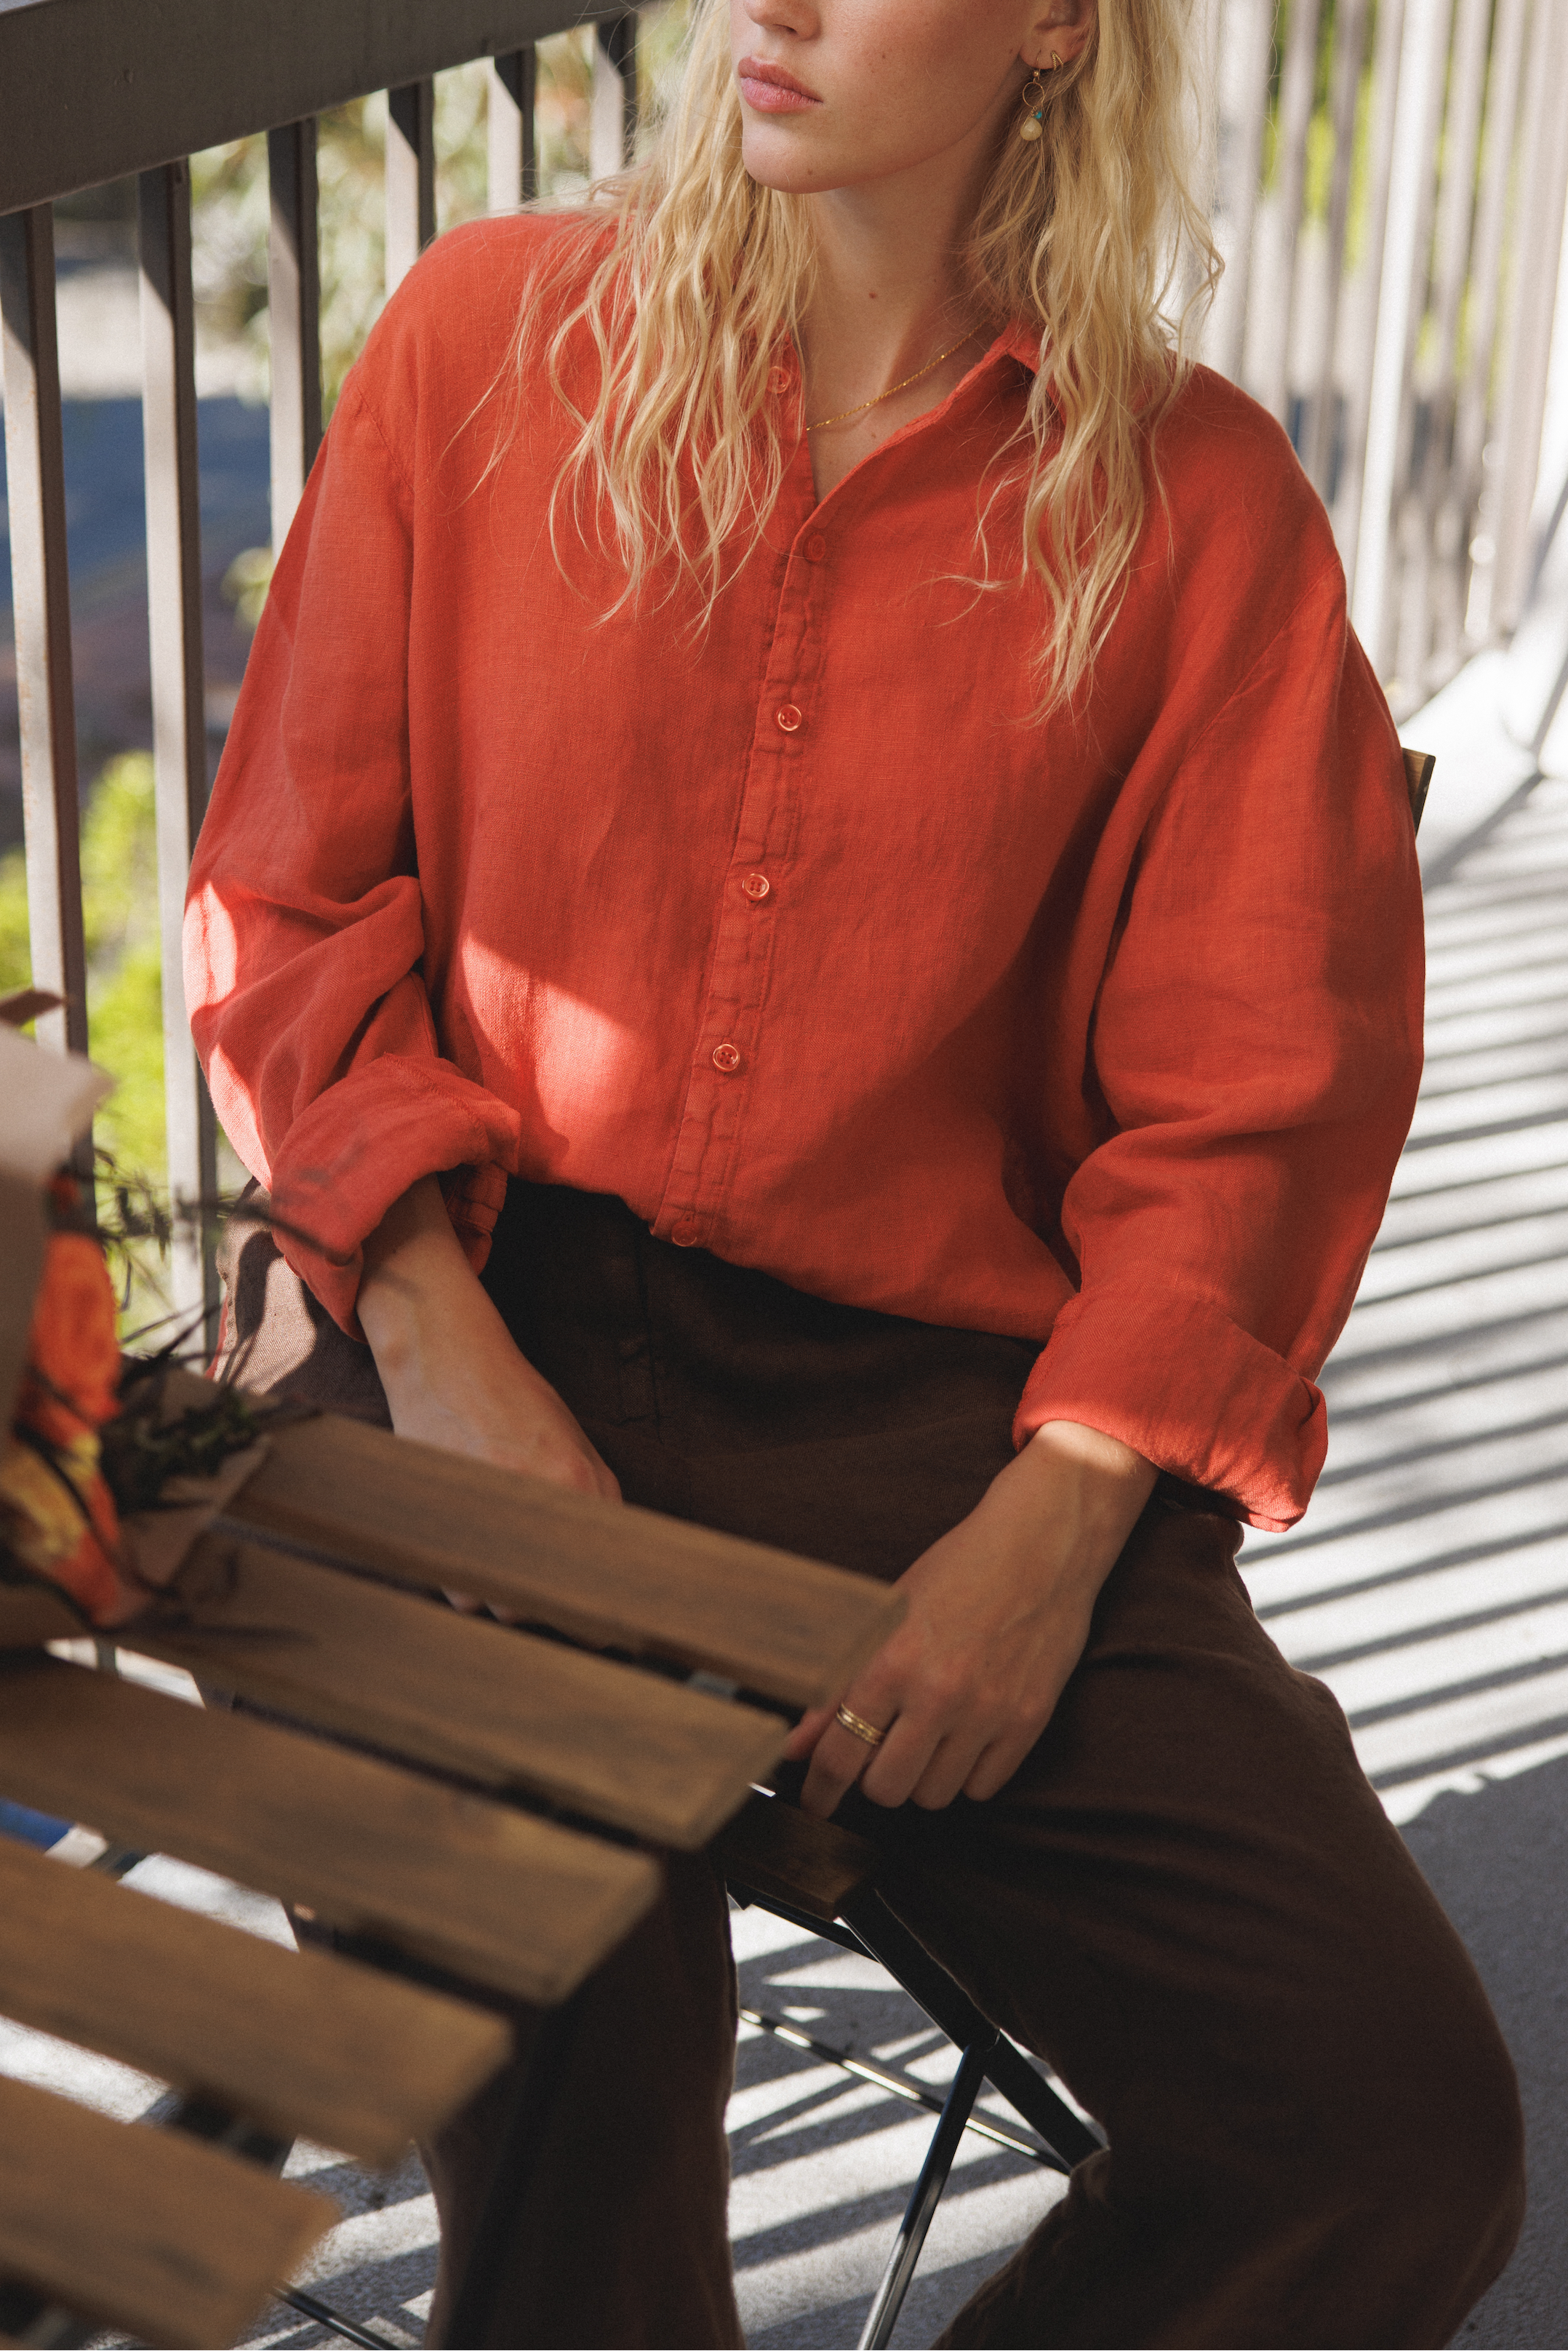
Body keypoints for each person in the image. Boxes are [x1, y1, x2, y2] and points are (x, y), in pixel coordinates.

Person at [185, 0, 1525, 2342]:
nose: (767, 9)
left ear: (1047, 27)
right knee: (578, 2107)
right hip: (448, 1293)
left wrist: (1051, 1525)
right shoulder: (486, 342)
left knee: (1381, 2134)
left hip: (928, 1419)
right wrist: (439, 1359)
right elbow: (286, 908)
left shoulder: (1195, 509)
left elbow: (1256, 1098)